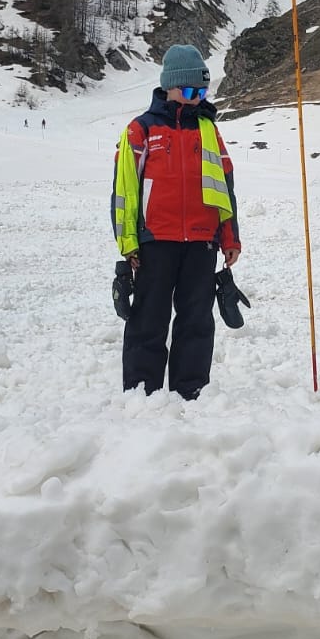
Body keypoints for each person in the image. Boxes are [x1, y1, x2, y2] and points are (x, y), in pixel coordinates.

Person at [111, 44, 240, 399]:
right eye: (190, 91)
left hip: (202, 240)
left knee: (197, 319)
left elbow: (225, 187)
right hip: (155, 241)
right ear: (170, 86)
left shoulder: (209, 131)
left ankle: (191, 389)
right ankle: (141, 392)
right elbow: (124, 193)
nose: (197, 99)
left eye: (202, 92)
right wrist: (129, 243)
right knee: (148, 318)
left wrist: (230, 238)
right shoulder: (140, 130)